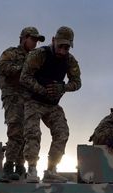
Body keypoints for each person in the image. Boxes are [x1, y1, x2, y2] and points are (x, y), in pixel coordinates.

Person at [20, 26, 81, 183]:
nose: (62, 51)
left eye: (66, 47)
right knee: (33, 133)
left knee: (62, 132)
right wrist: (42, 90)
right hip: (33, 101)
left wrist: (63, 87)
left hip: (52, 105)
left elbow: (77, 82)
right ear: (53, 40)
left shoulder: (70, 60)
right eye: (60, 46)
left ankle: (51, 170)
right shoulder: (39, 54)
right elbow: (24, 77)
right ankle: (32, 169)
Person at [0, 26, 44, 181]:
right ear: (24, 38)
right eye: (33, 39)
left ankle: (20, 166)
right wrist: (23, 68)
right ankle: (8, 166)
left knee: (27, 132)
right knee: (15, 131)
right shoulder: (11, 53)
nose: (35, 43)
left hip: (29, 99)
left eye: (37, 41)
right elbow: (0, 68)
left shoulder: (36, 57)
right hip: (13, 97)